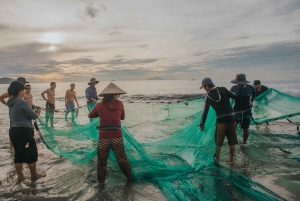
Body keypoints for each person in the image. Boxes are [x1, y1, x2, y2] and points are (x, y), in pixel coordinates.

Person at [88, 83, 132, 184]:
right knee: (122, 159)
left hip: (103, 138)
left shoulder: (99, 105)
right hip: (117, 137)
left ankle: (101, 183)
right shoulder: (120, 104)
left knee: (102, 162)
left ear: (104, 95)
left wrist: (100, 112)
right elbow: (122, 117)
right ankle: (129, 178)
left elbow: (90, 115)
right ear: (114, 95)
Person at [7, 81, 46, 181]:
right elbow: (33, 116)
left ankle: (20, 176)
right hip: (23, 131)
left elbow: (20, 112)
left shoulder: (11, 102)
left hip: (13, 130)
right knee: (31, 152)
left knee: (18, 153)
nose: (25, 91)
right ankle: (34, 175)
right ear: (20, 92)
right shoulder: (22, 102)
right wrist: (38, 111)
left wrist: (30, 108)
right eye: (23, 89)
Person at [199, 78, 237, 164]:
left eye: (204, 87)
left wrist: (202, 123)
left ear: (207, 86)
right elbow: (234, 96)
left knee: (218, 142)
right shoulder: (223, 89)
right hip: (231, 118)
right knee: (232, 142)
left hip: (221, 120)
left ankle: (217, 161)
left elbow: (205, 111)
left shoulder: (208, 97)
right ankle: (231, 161)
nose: (204, 89)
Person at [0, 77, 29, 152]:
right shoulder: (12, 92)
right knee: (14, 129)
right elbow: (1, 97)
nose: (25, 84)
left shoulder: (22, 91)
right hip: (15, 115)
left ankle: (22, 145)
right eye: (24, 83)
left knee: (21, 129)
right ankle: (11, 148)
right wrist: (8, 104)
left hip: (22, 114)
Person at [230, 74, 256, 144]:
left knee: (245, 129)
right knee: (233, 127)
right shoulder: (233, 88)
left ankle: (244, 142)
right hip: (236, 111)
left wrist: (251, 101)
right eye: (237, 83)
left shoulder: (251, 88)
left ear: (244, 82)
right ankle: (235, 141)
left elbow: (254, 93)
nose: (238, 84)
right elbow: (229, 95)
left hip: (246, 111)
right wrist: (233, 99)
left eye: (239, 83)